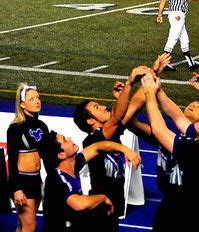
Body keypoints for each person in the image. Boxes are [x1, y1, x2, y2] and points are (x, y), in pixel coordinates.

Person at [141, 70, 199, 232]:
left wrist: (149, 94)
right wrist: (159, 91)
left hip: (183, 217)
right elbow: (177, 116)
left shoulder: (197, 152)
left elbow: (159, 130)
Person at [73, 62, 158, 229]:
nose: (104, 107)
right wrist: (129, 83)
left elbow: (135, 104)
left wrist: (153, 72)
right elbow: (117, 116)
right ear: (90, 120)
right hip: (99, 207)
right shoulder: (94, 139)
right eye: (97, 107)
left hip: (112, 206)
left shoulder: (112, 133)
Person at [42, 130, 140, 232]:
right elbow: (78, 203)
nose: (69, 138)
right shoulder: (58, 179)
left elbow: (97, 146)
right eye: (65, 140)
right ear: (61, 155)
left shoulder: (74, 164)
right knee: (101, 208)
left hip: (70, 221)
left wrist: (125, 150)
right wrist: (102, 197)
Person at [7, 84, 50, 232]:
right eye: (32, 99)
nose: (37, 101)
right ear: (23, 104)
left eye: (38, 97)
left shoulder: (42, 126)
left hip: (36, 180)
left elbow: (46, 155)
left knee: (23, 226)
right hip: (22, 182)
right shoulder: (15, 128)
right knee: (29, 227)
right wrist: (16, 188)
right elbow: (12, 160)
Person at [156, 0, 199, 70]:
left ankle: (191, 62)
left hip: (172, 14)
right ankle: (163, 62)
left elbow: (163, 0)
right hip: (178, 15)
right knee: (173, 37)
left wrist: (159, 14)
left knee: (184, 39)